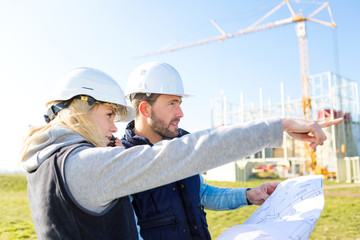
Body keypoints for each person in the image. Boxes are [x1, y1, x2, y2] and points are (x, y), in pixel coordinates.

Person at [20, 66, 341, 240]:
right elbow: (182, 155)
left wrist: (247, 194)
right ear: (80, 108)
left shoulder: (51, 162)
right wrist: (278, 125)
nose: (114, 128)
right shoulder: (84, 165)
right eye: (108, 116)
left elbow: (195, 188)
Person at [120, 62, 286, 239]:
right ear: (145, 109)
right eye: (171, 104)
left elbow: (201, 193)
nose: (180, 113)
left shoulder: (183, 145)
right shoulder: (122, 160)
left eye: (180, 103)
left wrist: (248, 195)